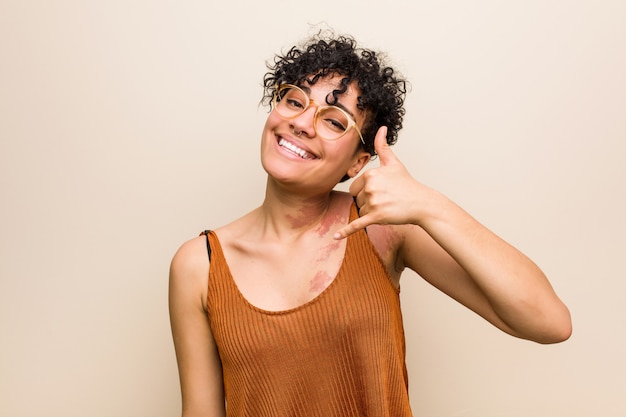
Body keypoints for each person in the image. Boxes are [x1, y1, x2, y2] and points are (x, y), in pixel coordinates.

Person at [168, 32, 572, 417]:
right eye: (294, 101)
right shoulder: (198, 265)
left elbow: (548, 322)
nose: (303, 123)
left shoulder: (381, 229)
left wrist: (429, 206)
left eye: (334, 121)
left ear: (357, 163)